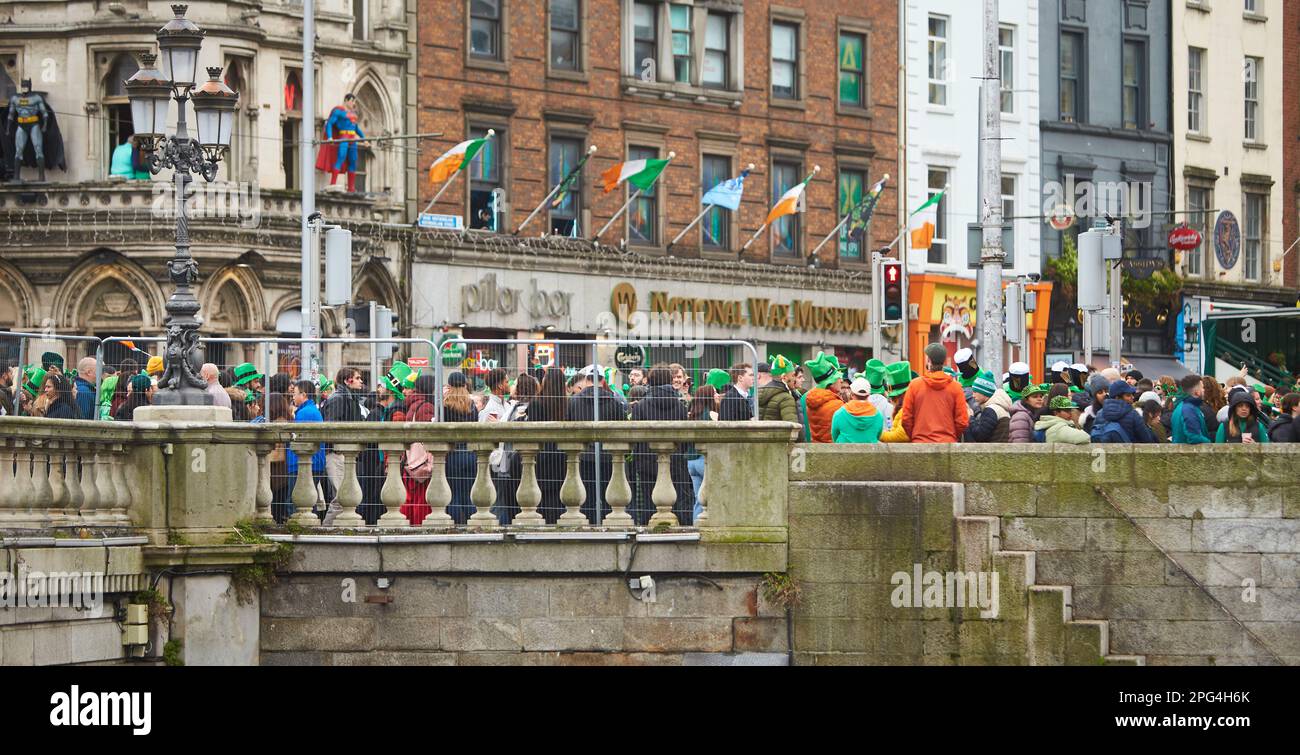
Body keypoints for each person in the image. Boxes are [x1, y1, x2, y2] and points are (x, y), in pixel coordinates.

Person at [629, 365, 693, 524]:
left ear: (650, 380)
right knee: (675, 503)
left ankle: (647, 533)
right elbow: (684, 437)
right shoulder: (680, 406)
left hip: (646, 461)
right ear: (669, 380)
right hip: (674, 461)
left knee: (648, 503)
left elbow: (636, 436)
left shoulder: (641, 405)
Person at [318, 367, 368, 525]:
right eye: (358, 378)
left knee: (346, 496)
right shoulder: (339, 399)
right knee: (342, 496)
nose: (361, 381)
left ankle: (334, 528)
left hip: (345, 454)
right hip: (336, 453)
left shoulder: (350, 398)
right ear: (347, 380)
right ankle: (326, 529)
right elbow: (330, 428)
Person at [525, 367, 570, 523]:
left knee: (540, 499)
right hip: (561, 457)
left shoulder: (536, 404)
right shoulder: (567, 404)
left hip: (541, 457)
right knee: (558, 499)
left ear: (545, 382)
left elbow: (531, 432)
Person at [901, 343, 969, 444]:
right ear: (943, 361)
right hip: (947, 444)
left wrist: (916, 436)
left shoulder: (914, 385)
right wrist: (951, 436)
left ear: (929, 361)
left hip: (920, 443)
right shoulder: (956, 388)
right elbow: (962, 421)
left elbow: (906, 419)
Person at [286, 379, 331, 519]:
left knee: (296, 502)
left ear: (303, 395)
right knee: (309, 500)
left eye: (295, 394)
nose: (293, 397)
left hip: (303, 463)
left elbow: (298, 438)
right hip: (315, 462)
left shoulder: (304, 413)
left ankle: (300, 528)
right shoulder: (311, 410)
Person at [442, 372, 479, 524]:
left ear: (449, 386)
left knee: (453, 496)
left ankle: (456, 526)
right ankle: (472, 525)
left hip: (453, 454)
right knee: (468, 495)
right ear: (465, 384)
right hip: (470, 454)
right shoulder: (471, 405)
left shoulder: (445, 405)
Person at [316, 93, 365, 192]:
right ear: (346, 100)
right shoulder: (339, 112)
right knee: (340, 158)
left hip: (352, 139)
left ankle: (351, 187)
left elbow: (356, 128)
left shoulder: (354, 115)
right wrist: (330, 137)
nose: (353, 104)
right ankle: (333, 183)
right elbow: (330, 123)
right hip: (344, 138)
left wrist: (364, 138)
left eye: (354, 101)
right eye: (352, 101)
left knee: (353, 161)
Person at [1090, 380, 1155, 443]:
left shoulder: (1099, 414)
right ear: (1117, 398)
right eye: (1128, 395)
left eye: (1132, 394)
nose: (1132, 397)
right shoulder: (1133, 415)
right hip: (1129, 452)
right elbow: (1147, 439)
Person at [800, 352, 845, 443]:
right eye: (838, 377)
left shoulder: (805, 397)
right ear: (830, 382)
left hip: (810, 449)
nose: (842, 380)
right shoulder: (837, 404)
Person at [830, 376, 883, 444]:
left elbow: (834, 437)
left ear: (851, 394)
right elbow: (878, 436)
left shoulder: (839, 413)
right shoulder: (878, 415)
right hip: (869, 453)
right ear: (868, 395)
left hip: (845, 453)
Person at [964, 372, 1012, 443]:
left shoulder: (991, 410)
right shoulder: (1000, 407)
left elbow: (980, 436)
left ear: (984, 392)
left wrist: (970, 418)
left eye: (975, 392)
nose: (973, 395)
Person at [1169, 374, 1212, 445]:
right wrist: (1210, 444)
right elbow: (1194, 437)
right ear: (1196, 392)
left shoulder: (1184, 406)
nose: (1204, 390)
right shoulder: (1188, 409)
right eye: (1202, 388)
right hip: (1188, 455)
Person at [878, 361, 913, 443]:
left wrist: (878, 434)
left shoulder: (906, 410)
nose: (891, 400)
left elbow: (900, 435)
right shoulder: (906, 408)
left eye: (893, 398)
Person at [757, 359, 797, 423]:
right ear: (784, 377)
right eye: (793, 375)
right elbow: (792, 426)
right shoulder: (786, 398)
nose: (795, 379)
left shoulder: (759, 394)